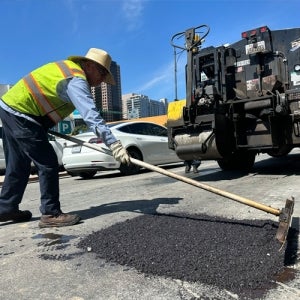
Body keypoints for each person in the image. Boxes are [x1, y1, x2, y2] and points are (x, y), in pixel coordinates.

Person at [0, 48, 130, 228]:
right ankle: (50, 213)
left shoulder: (67, 71)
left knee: (18, 163)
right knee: (48, 162)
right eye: (101, 73)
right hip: (22, 112)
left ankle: (6, 208)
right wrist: (114, 144)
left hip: (10, 108)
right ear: (88, 65)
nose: (101, 81)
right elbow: (91, 116)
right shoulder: (76, 80)